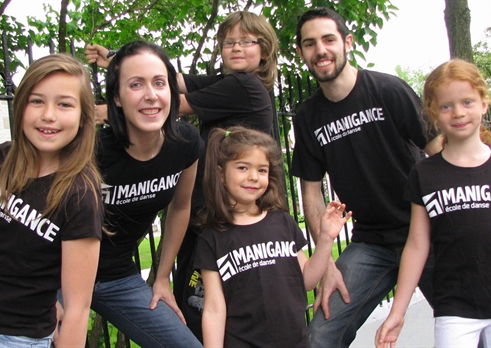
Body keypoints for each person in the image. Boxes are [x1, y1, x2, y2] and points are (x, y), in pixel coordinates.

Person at [85, 11, 278, 340]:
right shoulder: (224, 82)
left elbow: (174, 101)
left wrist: (101, 110)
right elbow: (171, 81)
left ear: (265, 49)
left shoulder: (245, 85)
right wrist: (117, 61)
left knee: (206, 303)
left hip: (228, 213)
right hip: (211, 210)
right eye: (228, 42)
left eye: (247, 41)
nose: (236, 48)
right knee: (200, 301)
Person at [375, 59, 491, 348]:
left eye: (467, 101)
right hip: (454, 309)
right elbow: (417, 245)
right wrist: (398, 312)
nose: (458, 112)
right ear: (433, 113)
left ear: (485, 103)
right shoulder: (425, 173)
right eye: (446, 106)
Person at [290, 7, 443, 347]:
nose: (321, 50)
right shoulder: (308, 116)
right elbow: (311, 193)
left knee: (464, 326)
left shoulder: (388, 89)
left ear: (347, 42)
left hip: (427, 233)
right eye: (310, 44)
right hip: (371, 244)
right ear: (301, 53)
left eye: (329, 39)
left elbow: (441, 151)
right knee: (319, 335)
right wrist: (326, 264)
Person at [0, 54, 104, 347]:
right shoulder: (2, 159)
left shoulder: (80, 195)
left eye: (64, 104)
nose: (48, 115)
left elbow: (77, 308)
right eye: (36, 101)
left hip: (13, 338)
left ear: (83, 117)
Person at [80, 40, 204, 347]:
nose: (151, 95)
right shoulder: (92, 152)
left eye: (159, 83)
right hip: (55, 277)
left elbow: (180, 207)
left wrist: (162, 276)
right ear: (117, 99)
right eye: (136, 84)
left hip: (117, 279)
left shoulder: (186, 143)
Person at [193, 126, 351, 347]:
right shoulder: (211, 239)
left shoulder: (283, 222)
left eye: (262, 170)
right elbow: (213, 307)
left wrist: (326, 238)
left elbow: (307, 279)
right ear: (220, 172)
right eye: (242, 167)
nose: (253, 177)